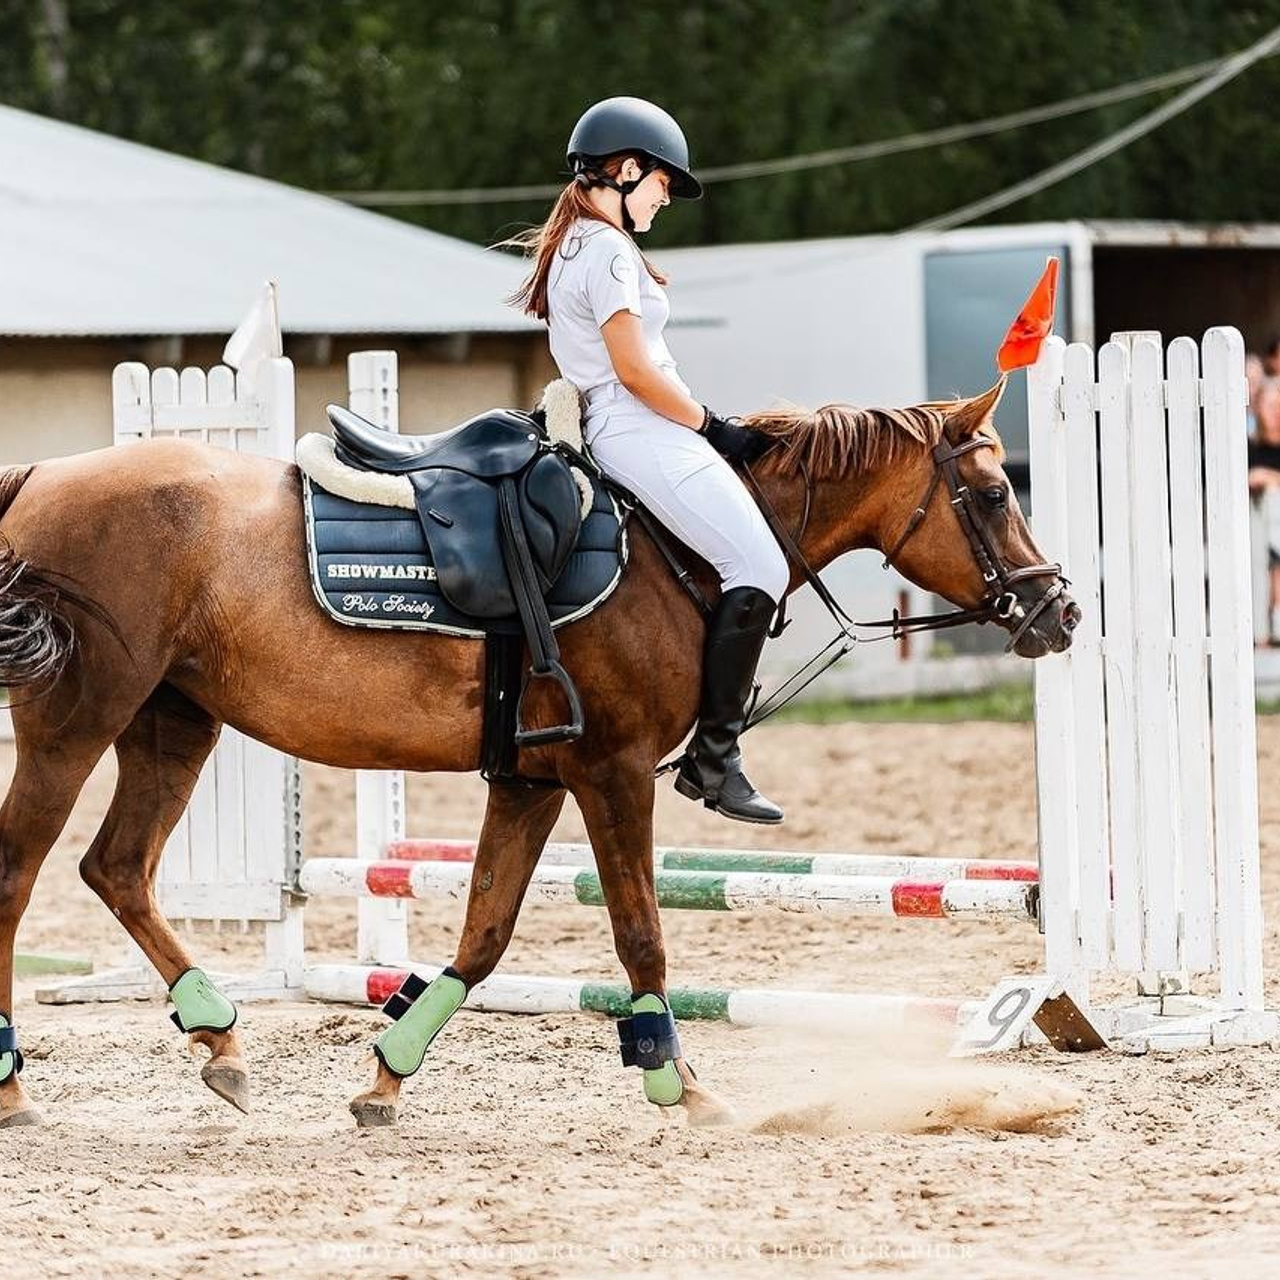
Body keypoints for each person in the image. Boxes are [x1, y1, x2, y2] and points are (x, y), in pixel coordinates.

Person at [505, 96, 789, 824]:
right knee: (762, 566)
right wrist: (712, 425)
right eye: (663, 182)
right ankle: (715, 758)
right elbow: (634, 370)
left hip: (629, 426)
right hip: (638, 426)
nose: (666, 199)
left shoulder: (575, 242)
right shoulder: (605, 249)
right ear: (628, 170)